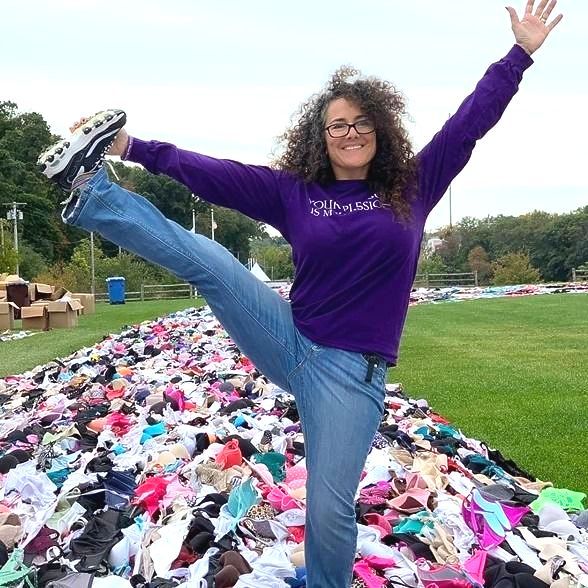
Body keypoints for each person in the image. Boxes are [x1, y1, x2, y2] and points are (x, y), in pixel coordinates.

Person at [38, 1, 562, 586]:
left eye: (362, 123)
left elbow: (470, 121)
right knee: (212, 263)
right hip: (290, 337)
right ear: (321, 137)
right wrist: (132, 146)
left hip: (349, 374)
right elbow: (214, 172)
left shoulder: (413, 186)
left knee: (328, 509)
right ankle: (92, 194)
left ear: (381, 131)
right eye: (337, 125)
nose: (350, 133)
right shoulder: (296, 193)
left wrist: (520, 55)